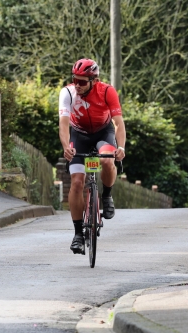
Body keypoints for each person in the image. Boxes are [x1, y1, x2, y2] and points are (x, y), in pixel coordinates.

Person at [58, 58, 126, 255]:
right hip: (79, 135)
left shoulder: (106, 91)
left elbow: (119, 124)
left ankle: (106, 195)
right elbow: (63, 124)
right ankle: (78, 234)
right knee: (77, 182)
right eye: (75, 80)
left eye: (82, 82)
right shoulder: (68, 92)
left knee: (106, 159)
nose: (77, 85)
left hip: (103, 133)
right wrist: (65, 146)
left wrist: (120, 147)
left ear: (94, 80)